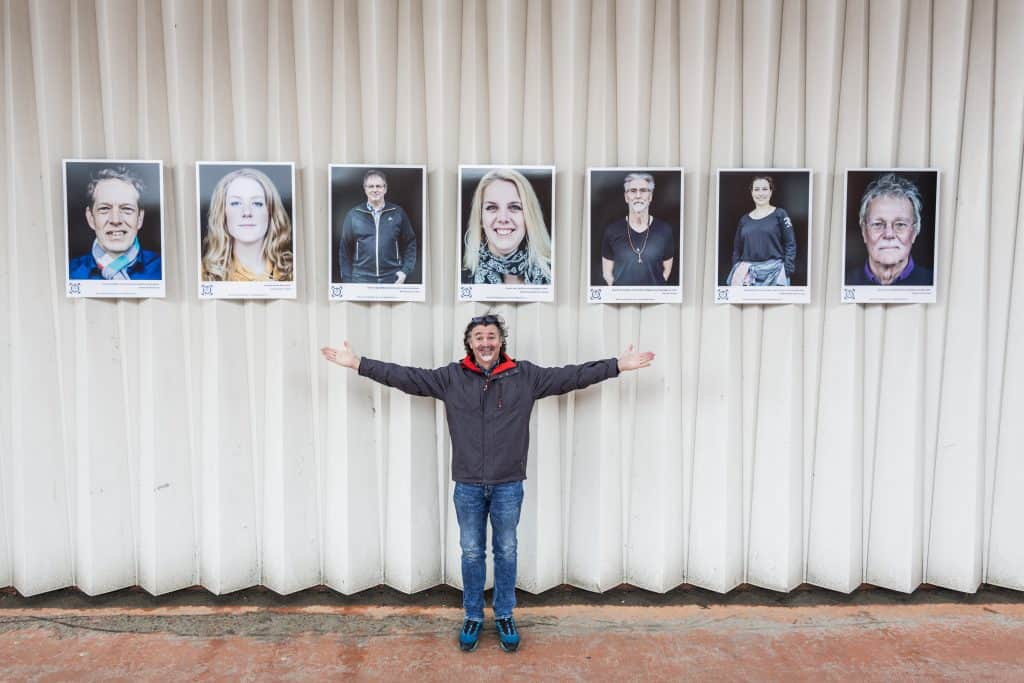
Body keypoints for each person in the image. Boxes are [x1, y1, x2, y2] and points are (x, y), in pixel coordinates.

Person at [321, 314, 654, 652]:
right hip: (467, 484)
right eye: (478, 337)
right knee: (471, 552)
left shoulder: (526, 376)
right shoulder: (451, 378)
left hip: (508, 484)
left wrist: (617, 365)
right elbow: (405, 377)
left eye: (491, 336)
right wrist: (357, 363)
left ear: (500, 341)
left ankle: (505, 613)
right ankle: (473, 616)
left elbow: (573, 376)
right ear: (470, 343)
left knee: (506, 550)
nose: (485, 343)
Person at [461, 168, 552, 285]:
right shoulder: (460, 282)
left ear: (529, 217)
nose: (503, 219)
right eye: (492, 208)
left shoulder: (556, 276)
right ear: (480, 218)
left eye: (515, 207)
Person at [69, 167, 161, 280]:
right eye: (104, 208)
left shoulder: (161, 270)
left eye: (126, 208)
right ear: (90, 218)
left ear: (140, 218)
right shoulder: (71, 274)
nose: (116, 220)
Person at [202, 168, 294, 282]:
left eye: (257, 203)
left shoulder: (294, 272)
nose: (247, 213)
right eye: (236, 203)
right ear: (223, 214)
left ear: (270, 213)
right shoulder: (204, 276)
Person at [847, 173, 933, 286]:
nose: (888, 234)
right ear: (864, 231)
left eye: (900, 225)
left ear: (914, 232)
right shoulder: (846, 282)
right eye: (878, 224)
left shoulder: (931, 282)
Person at [338, 170, 417, 284]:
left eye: (378, 186)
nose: (375, 190)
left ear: (385, 188)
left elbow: (410, 242)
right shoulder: (353, 215)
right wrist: (347, 281)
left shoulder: (398, 213)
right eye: (371, 186)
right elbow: (344, 250)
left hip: (392, 278)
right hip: (361, 279)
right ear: (365, 189)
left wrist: (405, 271)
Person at [600, 173, 675, 285]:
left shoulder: (664, 230)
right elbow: (607, 272)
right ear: (626, 197)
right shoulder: (612, 230)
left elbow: (667, 269)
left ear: (650, 196)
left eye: (643, 190)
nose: (638, 195)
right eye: (633, 191)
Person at [727, 175, 796, 286]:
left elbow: (790, 244)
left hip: (775, 274)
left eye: (764, 189)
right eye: (756, 189)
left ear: (771, 191)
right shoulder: (744, 219)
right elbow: (737, 249)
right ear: (752, 192)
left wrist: (787, 269)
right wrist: (737, 268)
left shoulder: (780, 214)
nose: (760, 193)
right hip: (748, 276)